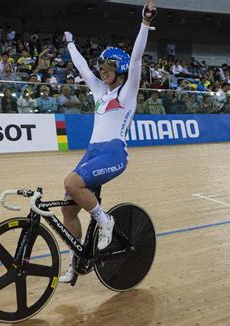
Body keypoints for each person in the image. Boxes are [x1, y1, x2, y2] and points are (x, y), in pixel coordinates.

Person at [58, 0, 156, 283]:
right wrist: (71, 45)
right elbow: (83, 68)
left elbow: (137, 58)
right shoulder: (99, 91)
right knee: (68, 209)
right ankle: (77, 262)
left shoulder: (127, 93)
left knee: (71, 183)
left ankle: (105, 220)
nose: (102, 70)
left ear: (121, 70)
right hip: (92, 153)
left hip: (113, 153)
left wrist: (145, 23)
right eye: (102, 66)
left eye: (108, 66)